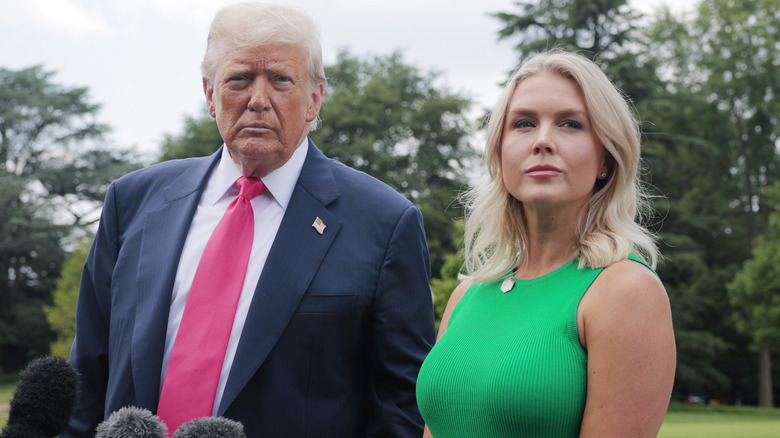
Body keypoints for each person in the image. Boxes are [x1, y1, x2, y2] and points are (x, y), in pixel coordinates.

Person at [65, 3, 435, 437]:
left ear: (315, 99)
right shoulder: (133, 203)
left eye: (281, 79)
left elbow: (402, 404)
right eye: (240, 79)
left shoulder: (385, 223)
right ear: (209, 94)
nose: (259, 100)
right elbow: (87, 377)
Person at [416, 50, 676, 437]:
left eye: (570, 124)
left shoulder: (625, 290)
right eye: (523, 123)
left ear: (606, 158)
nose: (542, 141)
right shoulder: (466, 294)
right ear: (500, 152)